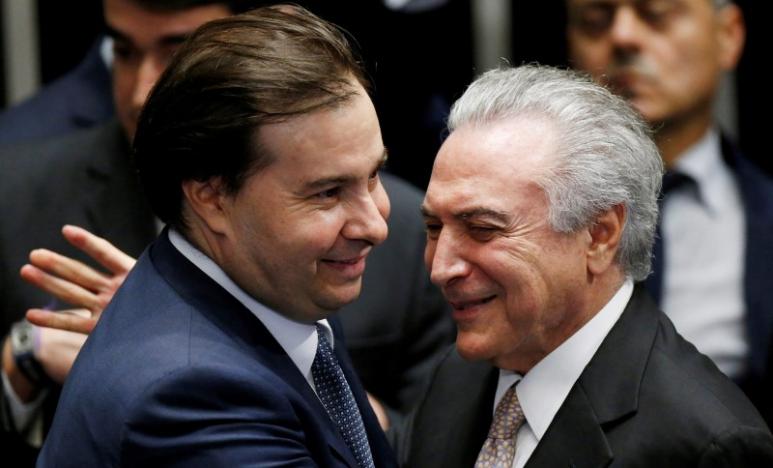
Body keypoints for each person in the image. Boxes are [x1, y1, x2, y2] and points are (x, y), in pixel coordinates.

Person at [0, 0, 451, 461]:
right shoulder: (191, 392)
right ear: (211, 196)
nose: (375, 224)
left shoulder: (286, 283)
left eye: (373, 175)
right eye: (327, 193)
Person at [404, 65, 773, 467]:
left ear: (598, 235)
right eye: (434, 227)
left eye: (481, 229)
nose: (441, 268)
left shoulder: (705, 445)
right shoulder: (458, 375)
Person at [566, 0, 773, 423]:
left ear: (727, 35)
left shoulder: (764, 216)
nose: (623, 37)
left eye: (656, 14)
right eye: (594, 20)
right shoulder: (518, 218)